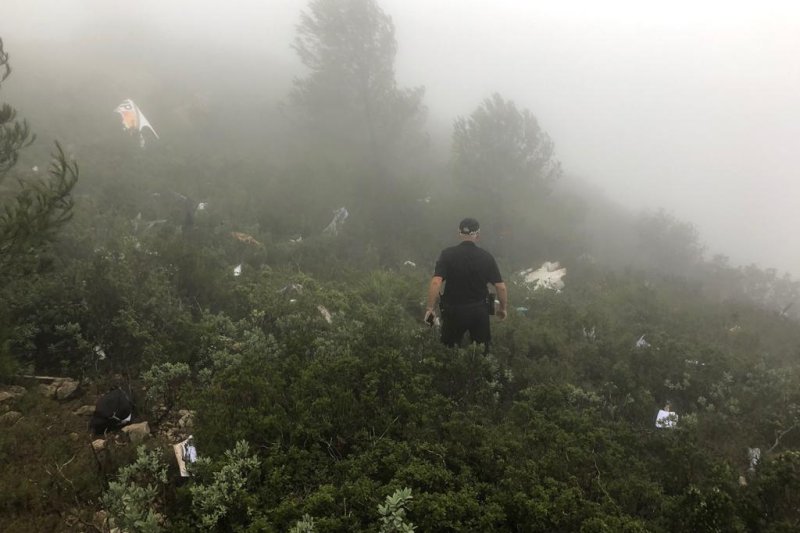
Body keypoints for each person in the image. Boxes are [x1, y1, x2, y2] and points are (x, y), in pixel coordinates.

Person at [424, 217, 508, 351]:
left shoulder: (447, 254)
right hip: (479, 312)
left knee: (447, 351)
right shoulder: (486, 257)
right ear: (478, 235)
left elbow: (436, 282)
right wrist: (503, 308)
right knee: (481, 354)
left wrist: (430, 309)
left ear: (459, 233)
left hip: (453, 311)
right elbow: (500, 287)